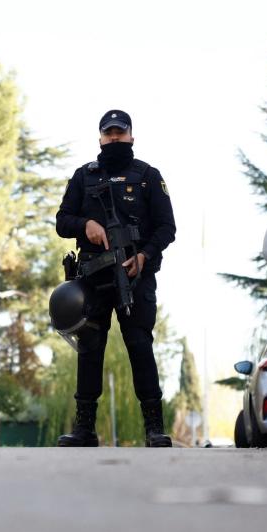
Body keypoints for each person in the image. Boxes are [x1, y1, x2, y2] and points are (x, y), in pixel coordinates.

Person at [54, 109, 176, 447]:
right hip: (92, 277)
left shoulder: (148, 176)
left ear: (131, 136)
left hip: (134, 276)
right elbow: (62, 220)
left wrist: (144, 256)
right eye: (108, 134)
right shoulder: (83, 176)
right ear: (100, 138)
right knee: (89, 349)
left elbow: (167, 227)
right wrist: (85, 226)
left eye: (120, 133)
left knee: (139, 345)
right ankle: (84, 429)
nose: (114, 139)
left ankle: (154, 427)